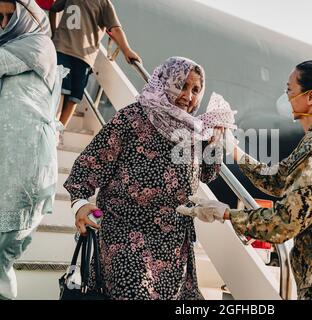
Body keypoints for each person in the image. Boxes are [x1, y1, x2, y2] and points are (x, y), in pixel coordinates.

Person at [177, 60, 312, 300]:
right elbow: (279, 179)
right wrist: (235, 151)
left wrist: (225, 214)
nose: (286, 97)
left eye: (290, 90)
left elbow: (283, 223)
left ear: (310, 97)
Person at [63, 57, 231, 300]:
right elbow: (91, 162)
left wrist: (216, 139)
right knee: (133, 293)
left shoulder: (195, 130)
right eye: (182, 86)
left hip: (172, 241)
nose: (189, 96)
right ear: (165, 83)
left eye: (196, 90)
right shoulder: (133, 117)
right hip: (125, 231)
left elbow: (207, 174)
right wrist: (80, 203)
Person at [0, 0, 63, 300]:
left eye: (8, 16)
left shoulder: (38, 44)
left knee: (2, 255)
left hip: (25, 166)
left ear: (26, 16)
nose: (2, 23)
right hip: (8, 160)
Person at [49, 0, 141, 127]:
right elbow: (115, 29)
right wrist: (126, 50)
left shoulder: (104, 4)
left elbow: (53, 9)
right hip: (79, 54)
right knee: (67, 95)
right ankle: (55, 131)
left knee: (67, 94)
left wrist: (54, 33)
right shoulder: (104, 3)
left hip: (70, 52)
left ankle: (55, 130)